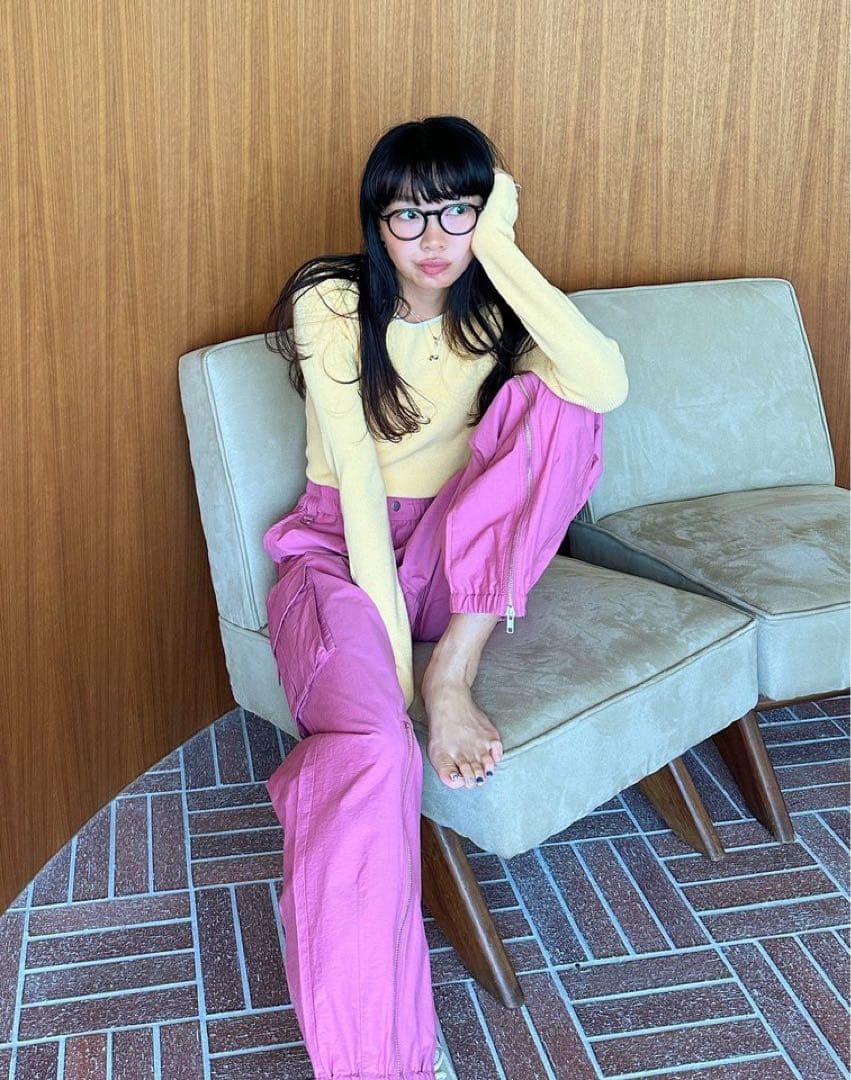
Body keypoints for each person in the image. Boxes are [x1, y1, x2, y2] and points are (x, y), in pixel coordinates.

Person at [261, 115, 628, 1080]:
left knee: (565, 409)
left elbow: (603, 384)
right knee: (374, 745)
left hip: (450, 565)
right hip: (342, 556)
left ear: (487, 211)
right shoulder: (333, 300)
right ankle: (375, 1064)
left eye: (457, 211)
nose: (432, 240)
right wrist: (391, 684)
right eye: (407, 216)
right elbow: (359, 483)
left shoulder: (496, 306)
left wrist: (497, 247)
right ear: (374, 223)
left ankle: (455, 668)